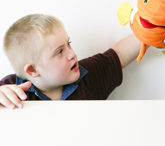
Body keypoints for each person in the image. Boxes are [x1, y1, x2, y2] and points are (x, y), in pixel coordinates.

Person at [0, 14, 141, 109]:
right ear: (32, 70)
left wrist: (150, 32)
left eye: (69, 44)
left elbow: (120, 55)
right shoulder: (11, 89)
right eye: (60, 52)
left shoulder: (85, 76)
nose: (72, 54)